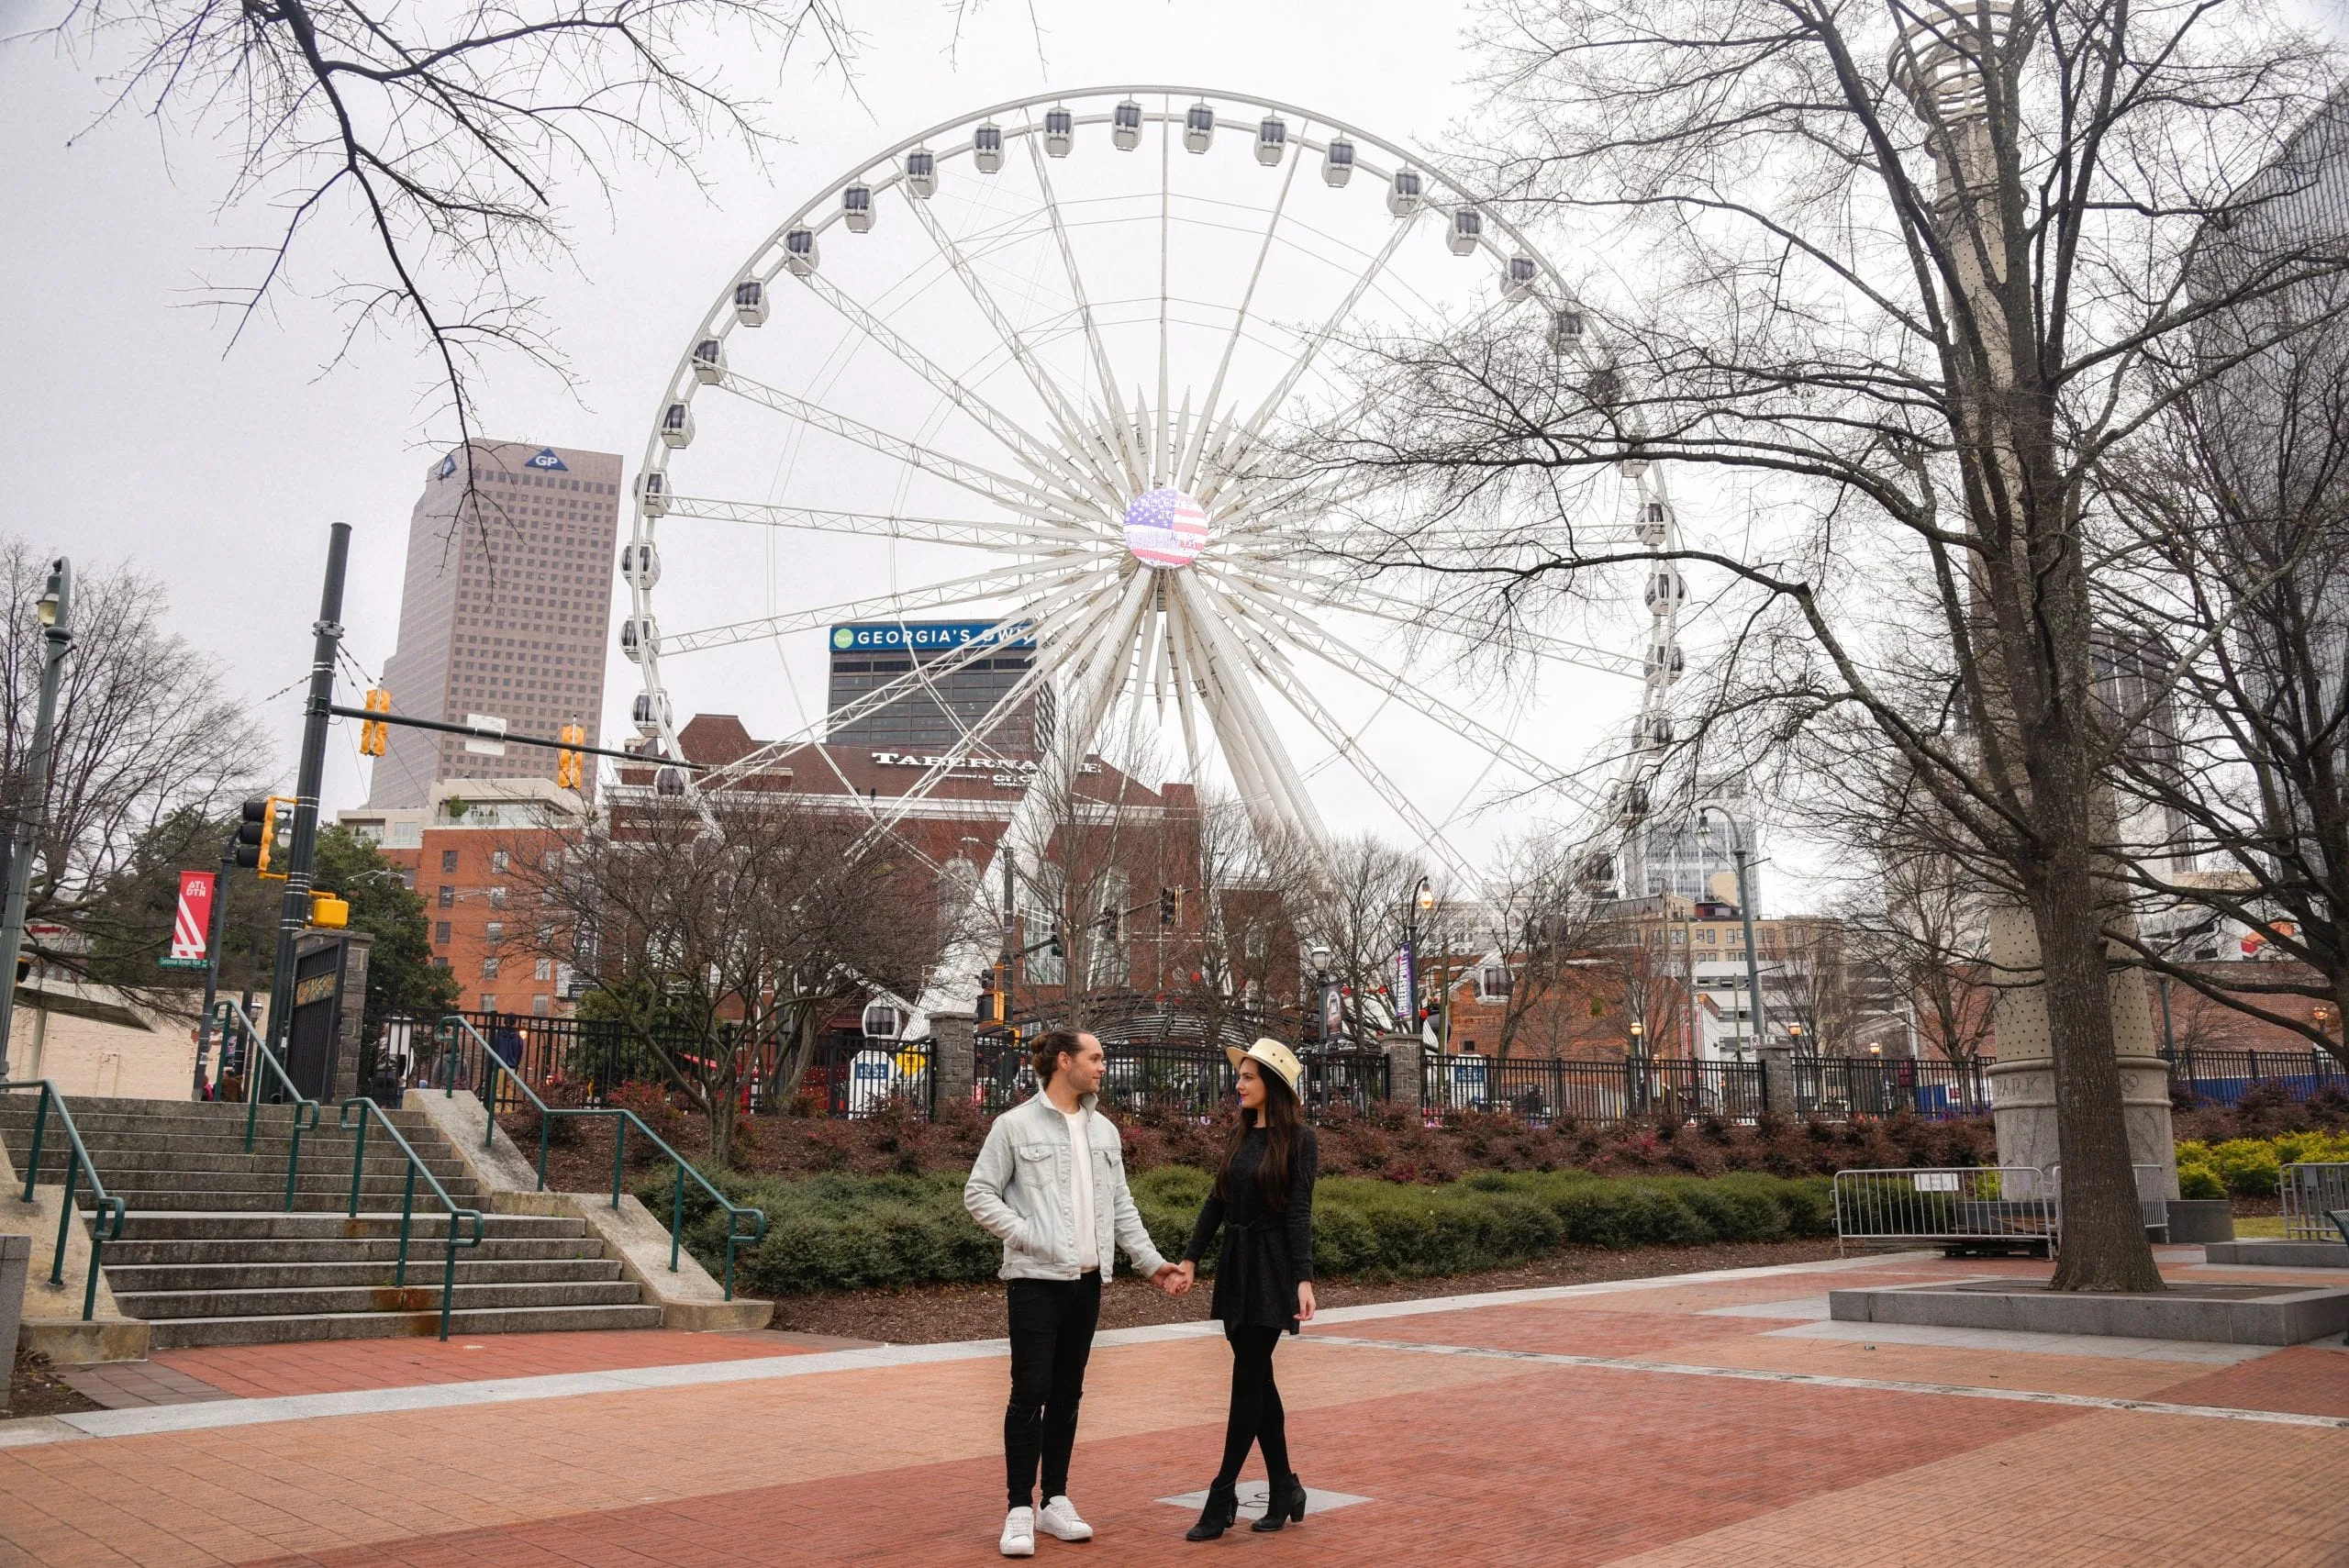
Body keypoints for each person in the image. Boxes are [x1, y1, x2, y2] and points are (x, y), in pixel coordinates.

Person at [965, 1029, 1186, 1558]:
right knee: (1029, 1393)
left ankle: (1054, 1502)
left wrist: (1153, 1264)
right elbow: (978, 1193)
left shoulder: (1104, 1130)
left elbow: (1122, 1208)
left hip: (1088, 1283)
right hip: (1035, 1282)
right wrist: (1027, 1235)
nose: (1103, 1066)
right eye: (1096, 1058)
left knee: (1067, 1395)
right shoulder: (1013, 1125)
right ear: (1064, 1062)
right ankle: (1019, 1508)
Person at [1170, 1037, 1319, 1541]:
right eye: (1241, 1076)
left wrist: (1304, 1278)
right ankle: (1285, 1488)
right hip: (1237, 1264)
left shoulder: (1300, 1139)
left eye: (1248, 1077)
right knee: (1259, 1383)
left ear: (1272, 1084)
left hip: (1273, 1267)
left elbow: (1299, 1210)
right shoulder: (1239, 1136)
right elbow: (1217, 1202)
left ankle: (1222, 1493)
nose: (1239, 1084)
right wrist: (1190, 1259)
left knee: (1246, 1381)